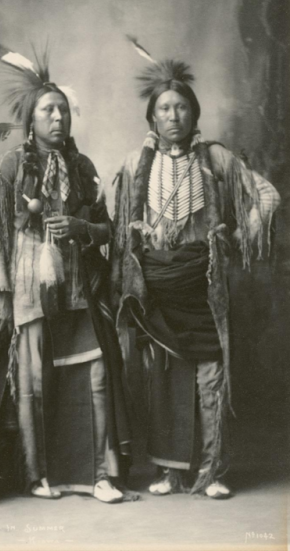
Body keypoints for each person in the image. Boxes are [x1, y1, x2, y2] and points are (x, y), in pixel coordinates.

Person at [111, 56, 280, 499]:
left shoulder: (216, 157)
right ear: (152, 116)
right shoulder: (135, 164)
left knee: (210, 375)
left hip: (202, 284)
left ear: (194, 113)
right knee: (166, 377)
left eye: (182, 107)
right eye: (164, 108)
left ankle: (212, 470)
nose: (173, 116)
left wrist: (240, 234)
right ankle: (170, 471)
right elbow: (119, 225)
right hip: (158, 282)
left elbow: (267, 194)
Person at [0, 43, 135, 503]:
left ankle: (101, 475)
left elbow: (109, 228)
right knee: (34, 382)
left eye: (63, 110)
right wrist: (2, 290)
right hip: (30, 286)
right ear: (31, 118)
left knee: (96, 376)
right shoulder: (10, 166)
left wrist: (83, 226)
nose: (59, 118)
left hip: (79, 287)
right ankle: (38, 473)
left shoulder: (83, 167)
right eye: (49, 110)